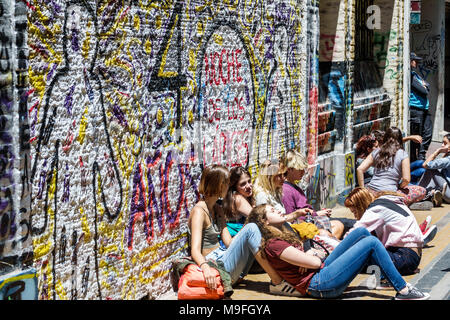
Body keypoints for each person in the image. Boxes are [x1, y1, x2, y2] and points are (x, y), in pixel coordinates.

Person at [247, 204, 430, 300]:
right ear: (265, 222)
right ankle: (404, 290)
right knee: (372, 242)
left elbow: (309, 258)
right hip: (319, 285)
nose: (278, 211)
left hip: (320, 271)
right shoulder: (274, 244)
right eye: (272, 211)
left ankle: (387, 276)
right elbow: (314, 262)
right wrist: (309, 257)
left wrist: (308, 257)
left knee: (361, 232)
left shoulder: (285, 233)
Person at [188, 164, 302, 294]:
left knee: (255, 227)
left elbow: (229, 243)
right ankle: (277, 282)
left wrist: (246, 232)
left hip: (224, 257)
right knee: (253, 227)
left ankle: (293, 264)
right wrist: (205, 268)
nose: (228, 186)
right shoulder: (199, 211)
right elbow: (195, 251)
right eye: (226, 183)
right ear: (219, 185)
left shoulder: (217, 209)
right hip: (213, 265)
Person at [344, 187, 436, 281]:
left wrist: (335, 248)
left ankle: (386, 280)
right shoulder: (388, 201)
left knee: (355, 260)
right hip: (412, 258)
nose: (355, 216)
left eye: (354, 212)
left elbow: (355, 233)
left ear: (361, 205)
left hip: (403, 257)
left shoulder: (376, 209)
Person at [280, 149, 349, 239]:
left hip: (311, 220)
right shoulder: (286, 190)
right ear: (289, 170)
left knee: (340, 225)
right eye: (300, 169)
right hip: (305, 226)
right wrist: (317, 214)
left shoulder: (293, 186)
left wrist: (318, 213)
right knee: (344, 224)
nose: (303, 172)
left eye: (303, 169)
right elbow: (292, 218)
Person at [356, 127, 426, 207]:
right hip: (390, 194)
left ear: (385, 138)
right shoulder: (403, 154)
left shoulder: (376, 151)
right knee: (422, 190)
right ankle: (400, 204)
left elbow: (360, 169)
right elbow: (406, 179)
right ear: (400, 139)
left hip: (371, 192)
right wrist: (400, 187)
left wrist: (363, 191)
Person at [409, 52, 433, 163]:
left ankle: (421, 155)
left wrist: (424, 86)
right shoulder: (410, 75)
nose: (417, 62)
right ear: (410, 61)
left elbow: (427, 86)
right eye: (415, 60)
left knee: (427, 132)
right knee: (416, 136)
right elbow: (424, 90)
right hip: (416, 109)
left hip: (423, 108)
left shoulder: (415, 74)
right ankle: (414, 159)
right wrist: (424, 86)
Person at [417, 133, 450, 204]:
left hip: (448, 194)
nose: (442, 145)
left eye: (445, 143)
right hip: (447, 192)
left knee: (430, 169)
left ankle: (420, 192)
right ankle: (433, 193)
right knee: (437, 170)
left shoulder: (448, 160)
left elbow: (425, 164)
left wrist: (437, 152)